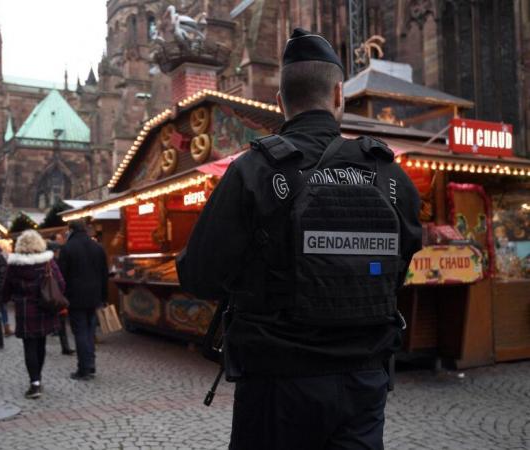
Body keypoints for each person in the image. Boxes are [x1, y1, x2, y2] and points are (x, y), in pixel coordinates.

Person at [177, 29, 423, 450]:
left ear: (280, 101)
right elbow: (400, 265)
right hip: (365, 381)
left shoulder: (253, 170)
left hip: (277, 383)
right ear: (339, 94)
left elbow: (198, 274)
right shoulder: (390, 175)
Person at [2, 230, 64, 399]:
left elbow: (6, 289)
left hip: (24, 311)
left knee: (29, 347)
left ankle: (34, 383)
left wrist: (7, 299)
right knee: (41, 344)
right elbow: (61, 284)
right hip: (44, 309)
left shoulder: (14, 265)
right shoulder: (47, 263)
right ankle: (38, 378)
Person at [58, 220, 108, 380]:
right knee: (90, 331)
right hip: (94, 297)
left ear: (71, 230)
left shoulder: (67, 248)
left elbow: (61, 276)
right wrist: (104, 297)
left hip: (75, 297)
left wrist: (62, 297)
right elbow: (104, 274)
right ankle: (91, 365)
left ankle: (84, 369)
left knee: (80, 332)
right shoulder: (97, 247)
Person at [53, 232, 74, 355]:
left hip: (58, 295)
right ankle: (65, 347)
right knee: (61, 321)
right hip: (58, 295)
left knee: (61, 321)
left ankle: (65, 346)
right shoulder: (55, 262)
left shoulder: (56, 261)